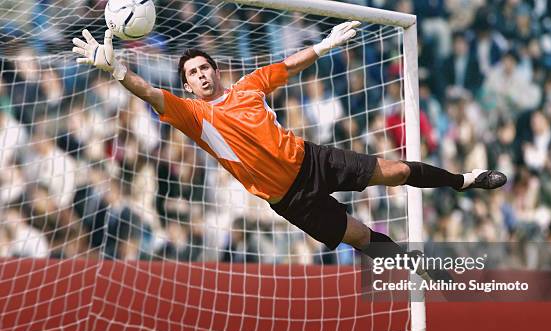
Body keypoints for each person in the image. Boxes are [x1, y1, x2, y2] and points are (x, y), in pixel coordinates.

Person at [71, 22, 506, 265]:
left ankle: (462, 180)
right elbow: (148, 93)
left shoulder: (247, 87)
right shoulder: (193, 116)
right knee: (360, 238)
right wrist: (118, 72)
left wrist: (323, 45)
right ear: (186, 84)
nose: (201, 75)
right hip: (289, 199)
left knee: (394, 171)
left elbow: (285, 67)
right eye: (192, 74)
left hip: (313, 160)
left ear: (216, 71)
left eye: (205, 68)